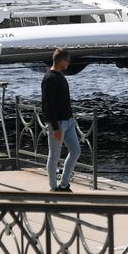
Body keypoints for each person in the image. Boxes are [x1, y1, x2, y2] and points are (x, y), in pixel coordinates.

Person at [42, 48, 79, 192]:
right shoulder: (49, 79)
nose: (69, 63)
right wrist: (55, 127)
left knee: (76, 151)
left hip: (69, 121)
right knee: (54, 156)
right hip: (58, 124)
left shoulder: (60, 76)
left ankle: (64, 184)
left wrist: (71, 118)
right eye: (67, 60)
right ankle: (53, 187)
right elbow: (47, 106)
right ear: (61, 61)